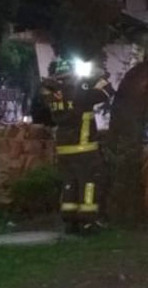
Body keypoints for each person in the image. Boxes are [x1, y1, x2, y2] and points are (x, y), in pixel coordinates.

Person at [45, 57, 116, 232]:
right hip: (84, 148)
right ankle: (88, 221)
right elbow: (105, 92)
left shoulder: (52, 94)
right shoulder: (79, 90)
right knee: (89, 183)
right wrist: (100, 76)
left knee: (70, 183)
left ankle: (70, 221)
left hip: (64, 149)